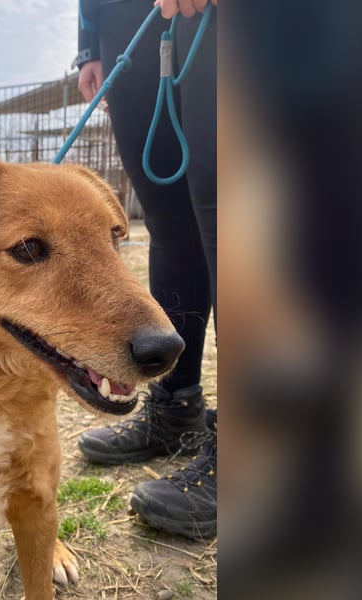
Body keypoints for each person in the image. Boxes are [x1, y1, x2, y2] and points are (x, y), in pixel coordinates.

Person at [73, 0, 218, 539]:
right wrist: (89, 46)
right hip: (128, 22)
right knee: (167, 217)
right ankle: (176, 405)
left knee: (233, 205)